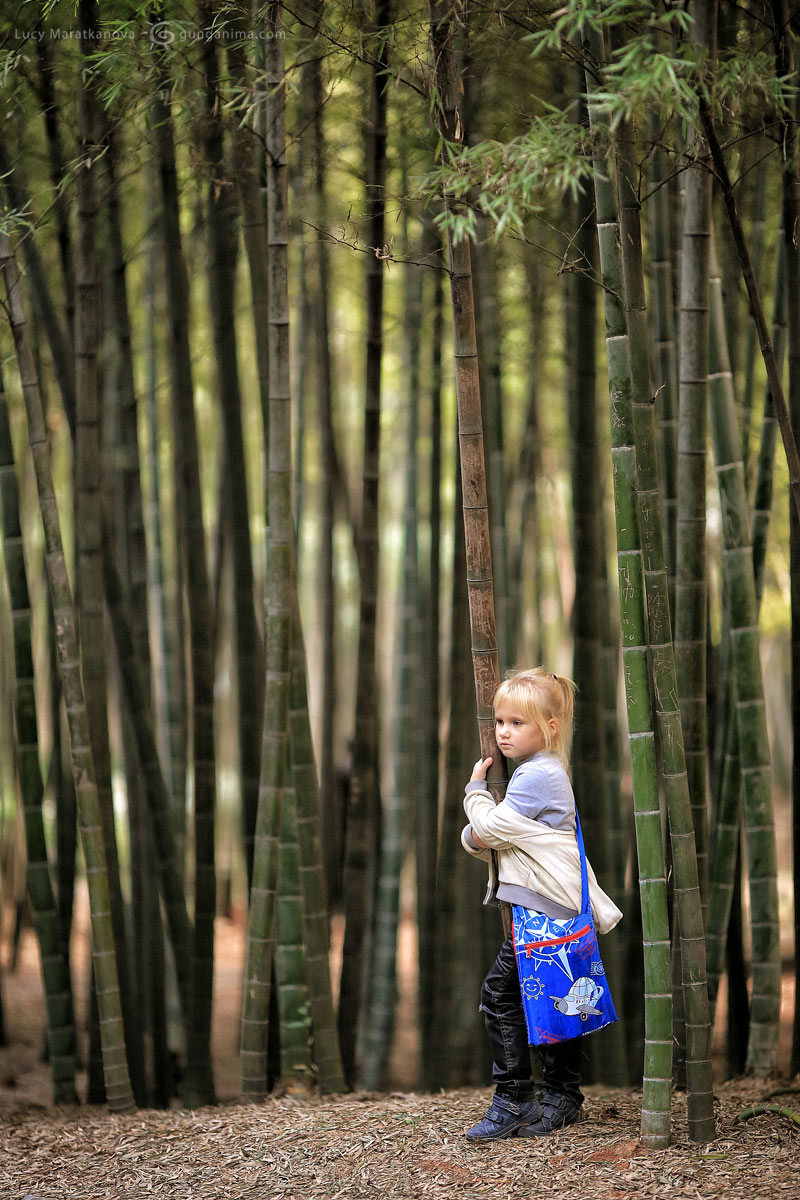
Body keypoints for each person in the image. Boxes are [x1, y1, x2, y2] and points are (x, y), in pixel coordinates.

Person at [461, 667, 622, 1141]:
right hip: (550, 904)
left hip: (547, 909)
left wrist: (474, 797)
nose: (503, 733)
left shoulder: (536, 776)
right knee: (557, 998)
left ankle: (515, 1099)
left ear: (550, 726)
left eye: (517, 723)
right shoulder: (542, 770)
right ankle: (561, 1095)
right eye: (500, 722)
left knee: (501, 995)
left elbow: (486, 833)